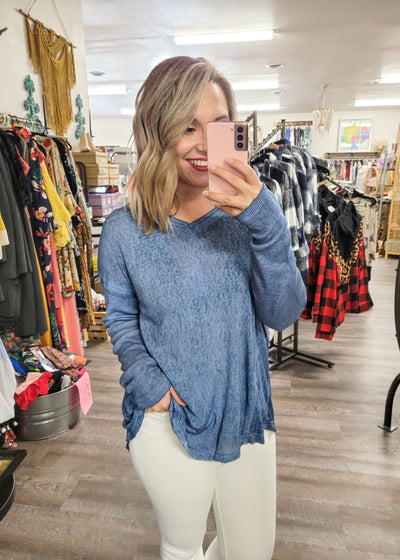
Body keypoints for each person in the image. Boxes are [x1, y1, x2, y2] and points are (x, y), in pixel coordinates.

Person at [98, 56, 306, 560]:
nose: (203, 144)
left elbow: (283, 313)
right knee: (182, 547)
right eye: (187, 127)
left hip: (244, 412)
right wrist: (148, 384)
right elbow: (120, 317)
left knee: (252, 550)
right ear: (158, 129)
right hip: (166, 418)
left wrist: (266, 224)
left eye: (217, 126)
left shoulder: (253, 213)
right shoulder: (124, 231)